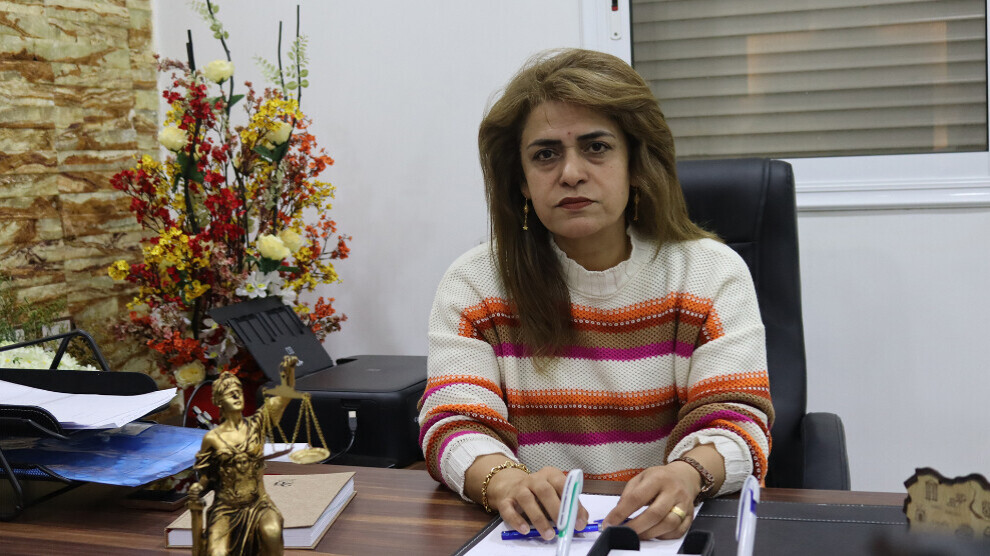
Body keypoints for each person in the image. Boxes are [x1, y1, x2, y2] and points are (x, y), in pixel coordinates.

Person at [417, 48, 774, 541]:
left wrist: (687, 475)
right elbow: (452, 423)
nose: (570, 173)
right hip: (537, 538)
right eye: (545, 154)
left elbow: (738, 419)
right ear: (522, 182)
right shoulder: (475, 284)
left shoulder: (710, 273)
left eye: (596, 147)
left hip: (661, 534)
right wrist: (506, 483)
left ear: (635, 164)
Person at [187, 360, 297, 555]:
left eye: (238, 391)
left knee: (272, 532)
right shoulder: (212, 438)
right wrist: (198, 488)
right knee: (217, 552)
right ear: (219, 401)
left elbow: (284, 396)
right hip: (226, 508)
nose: (237, 395)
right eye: (230, 393)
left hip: (258, 504)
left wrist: (288, 374)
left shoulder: (257, 424)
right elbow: (205, 476)